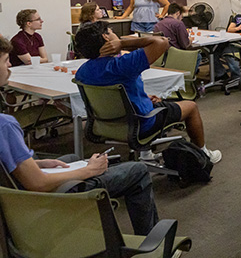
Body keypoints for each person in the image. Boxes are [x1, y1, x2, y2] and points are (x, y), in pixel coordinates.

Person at [0, 36, 161, 235]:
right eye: (5, 59)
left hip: (13, 189)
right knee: (137, 170)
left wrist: (37, 164)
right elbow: (38, 184)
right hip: (31, 198)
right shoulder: (4, 125)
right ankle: (152, 243)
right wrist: (89, 171)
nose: (9, 64)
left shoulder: (85, 71)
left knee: (73, 159)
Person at [74, 22, 221, 164]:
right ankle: (203, 154)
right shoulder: (123, 64)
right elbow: (162, 42)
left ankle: (145, 153)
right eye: (112, 32)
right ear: (106, 38)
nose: (116, 35)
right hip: (140, 123)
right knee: (191, 106)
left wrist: (143, 98)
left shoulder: (82, 72)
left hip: (105, 125)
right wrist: (123, 44)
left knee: (148, 102)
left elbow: (112, 98)